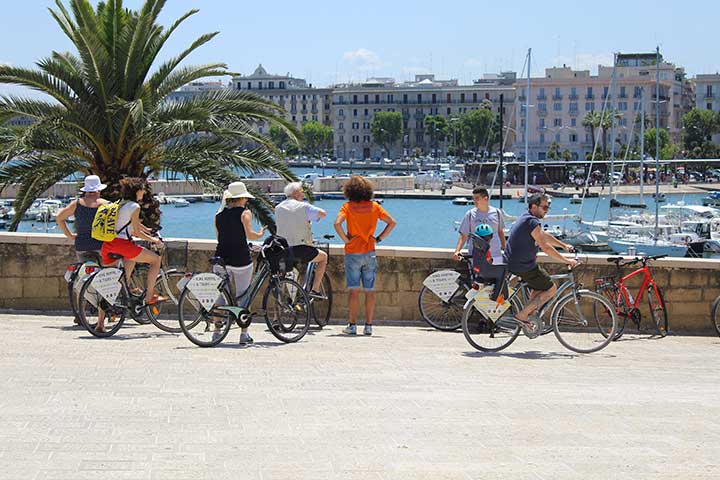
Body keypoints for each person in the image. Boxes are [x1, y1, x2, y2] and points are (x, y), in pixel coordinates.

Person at [503, 193, 577, 337]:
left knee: (539, 287)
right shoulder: (531, 222)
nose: (546, 210)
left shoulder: (527, 219)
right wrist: (567, 261)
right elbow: (546, 247)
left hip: (517, 263)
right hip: (523, 265)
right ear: (534, 206)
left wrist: (564, 246)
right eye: (544, 207)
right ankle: (522, 315)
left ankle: (529, 317)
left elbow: (544, 236)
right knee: (551, 288)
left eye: (548, 207)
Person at [99, 178, 165, 333]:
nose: (144, 192)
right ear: (136, 191)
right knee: (155, 260)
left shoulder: (119, 204)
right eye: (142, 189)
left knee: (110, 283)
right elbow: (135, 231)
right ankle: (149, 297)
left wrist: (147, 230)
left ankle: (100, 323)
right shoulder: (134, 206)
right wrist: (154, 240)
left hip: (107, 245)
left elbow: (129, 224)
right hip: (122, 245)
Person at [333, 176, 397, 336]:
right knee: (370, 290)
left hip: (352, 252)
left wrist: (346, 239)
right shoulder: (374, 206)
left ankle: (352, 325)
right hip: (369, 251)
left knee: (353, 291)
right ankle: (368, 326)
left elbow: (336, 223)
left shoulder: (347, 207)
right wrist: (379, 238)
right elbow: (392, 222)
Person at [215, 181, 266, 345]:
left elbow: (219, 237)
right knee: (244, 296)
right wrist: (260, 233)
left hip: (221, 258)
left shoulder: (219, 216)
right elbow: (250, 235)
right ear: (242, 198)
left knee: (220, 297)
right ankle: (244, 334)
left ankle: (216, 332)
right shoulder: (245, 213)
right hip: (240, 259)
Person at [56, 175, 109, 324]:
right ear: (98, 189)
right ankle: (100, 322)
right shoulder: (105, 204)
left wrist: (69, 235)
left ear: (86, 189)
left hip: (82, 245)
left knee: (83, 278)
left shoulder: (77, 204)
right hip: (100, 246)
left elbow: (59, 217)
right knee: (103, 281)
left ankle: (81, 315)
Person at [274, 182, 327, 297]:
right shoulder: (303, 206)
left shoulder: (278, 208)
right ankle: (315, 290)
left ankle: (293, 301)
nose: (303, 195)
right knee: (323, 258)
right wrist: (308, 218)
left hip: (283, 249)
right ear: (296, 193)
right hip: (301, 249)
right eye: (302, 192)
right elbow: (322, 213)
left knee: (289, 271)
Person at [454, 186, 506, 269]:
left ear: (485, 199)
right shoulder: (470, 214)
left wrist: (505, 248)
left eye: (477, 198)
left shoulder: (497, 212)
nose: (474, 201)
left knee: (498, 279)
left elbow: (500, 232)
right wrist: (457, 251)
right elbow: (464, 235)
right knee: (477, 280)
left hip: (496, 255)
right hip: (476, 256)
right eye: (473, 198)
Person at [470, 224, 508, 301]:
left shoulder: (476, 246)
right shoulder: (485, 247)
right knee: (504, 270)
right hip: (487, 270)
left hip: (478, 270)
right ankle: (496, 295)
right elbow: (489, 261)